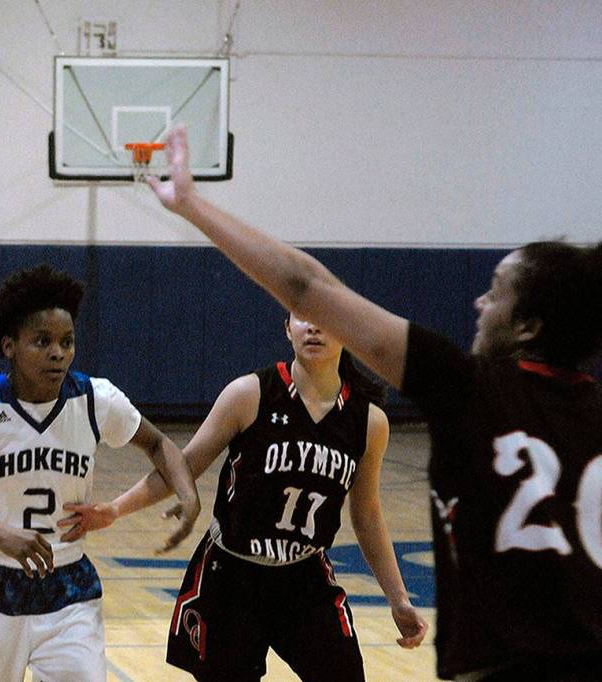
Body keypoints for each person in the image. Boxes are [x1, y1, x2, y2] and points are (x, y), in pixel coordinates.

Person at [143, 124, 602, 681]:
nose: (480, 301)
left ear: (528, 326)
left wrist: (191, 205)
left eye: (497, 291)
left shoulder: (469, 388)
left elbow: (308, 287)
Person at [63, 312, 428, 680]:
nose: (314, 326)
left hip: (305, 577)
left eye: (326, 317)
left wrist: (398, 599)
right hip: (232, 576)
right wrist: (115, 509)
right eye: (302, 317)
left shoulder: (369, 422)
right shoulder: (249, 394)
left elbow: (367, 516)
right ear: (288, 329)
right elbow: (183, 466)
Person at [0, 264, 201, 682]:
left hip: (67, 587)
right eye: (42, 341)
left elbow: (159, 444)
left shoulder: (96, 400)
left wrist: (188, 495)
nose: (58, 353)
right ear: (9, 345)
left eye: (67, 341)